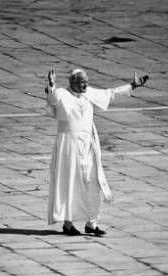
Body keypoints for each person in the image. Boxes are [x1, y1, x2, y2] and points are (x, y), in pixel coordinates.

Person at [44, 68, 149, 236]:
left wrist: (133, 85)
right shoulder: (63, 93)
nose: (86, 84)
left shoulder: (89, 93)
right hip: (69, 147)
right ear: (73, 83)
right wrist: (51, 85)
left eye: (86, 81)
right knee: (70, 184)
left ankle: (91, 223)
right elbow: (52, 99)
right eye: (82, 82)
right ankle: (68, 224)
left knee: (92, 182)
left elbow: (111, 93)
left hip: (88, 145)